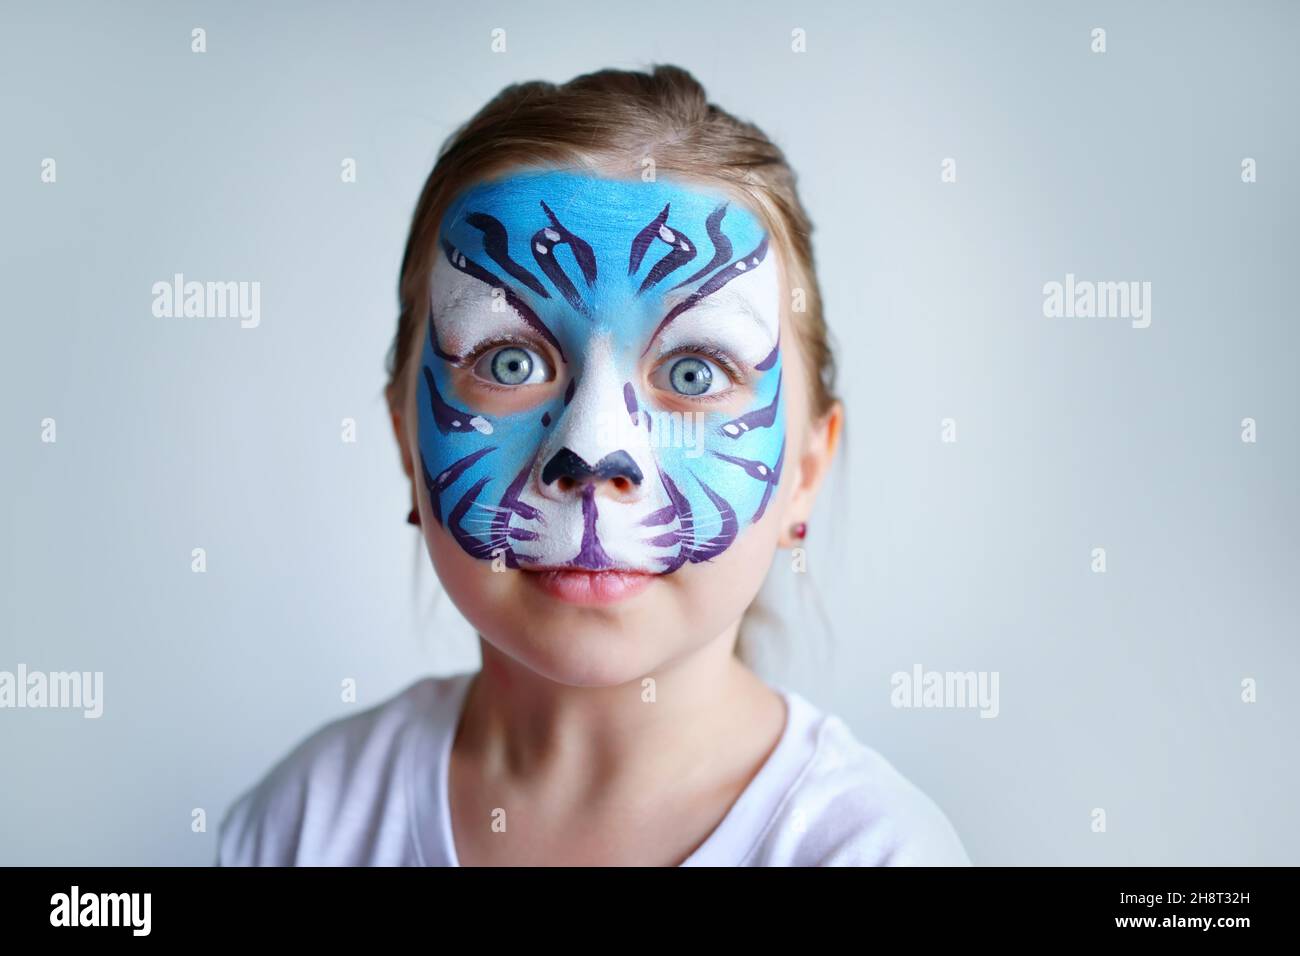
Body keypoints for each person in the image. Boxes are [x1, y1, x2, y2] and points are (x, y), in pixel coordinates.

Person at [217, 64, 971, 866]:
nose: (589, 453)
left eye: (693, 373)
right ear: (408, 440)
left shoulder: (873, 852)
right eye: (509, 361)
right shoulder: (305, 824)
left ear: (807, 470)